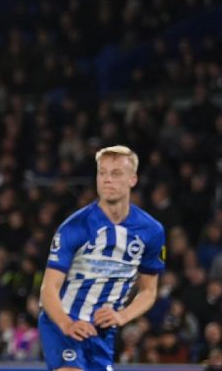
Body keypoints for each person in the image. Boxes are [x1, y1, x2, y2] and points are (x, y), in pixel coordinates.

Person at [39, 145, 165, 371]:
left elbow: (149, 291)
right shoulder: (75, 226)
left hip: (101, 332)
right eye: (102, 173)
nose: (107, 180)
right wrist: (66, 324)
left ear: (132, 180)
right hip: (63, 324)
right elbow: (48, 288)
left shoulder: (152, 231)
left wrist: (122, 316)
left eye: (116, 174)